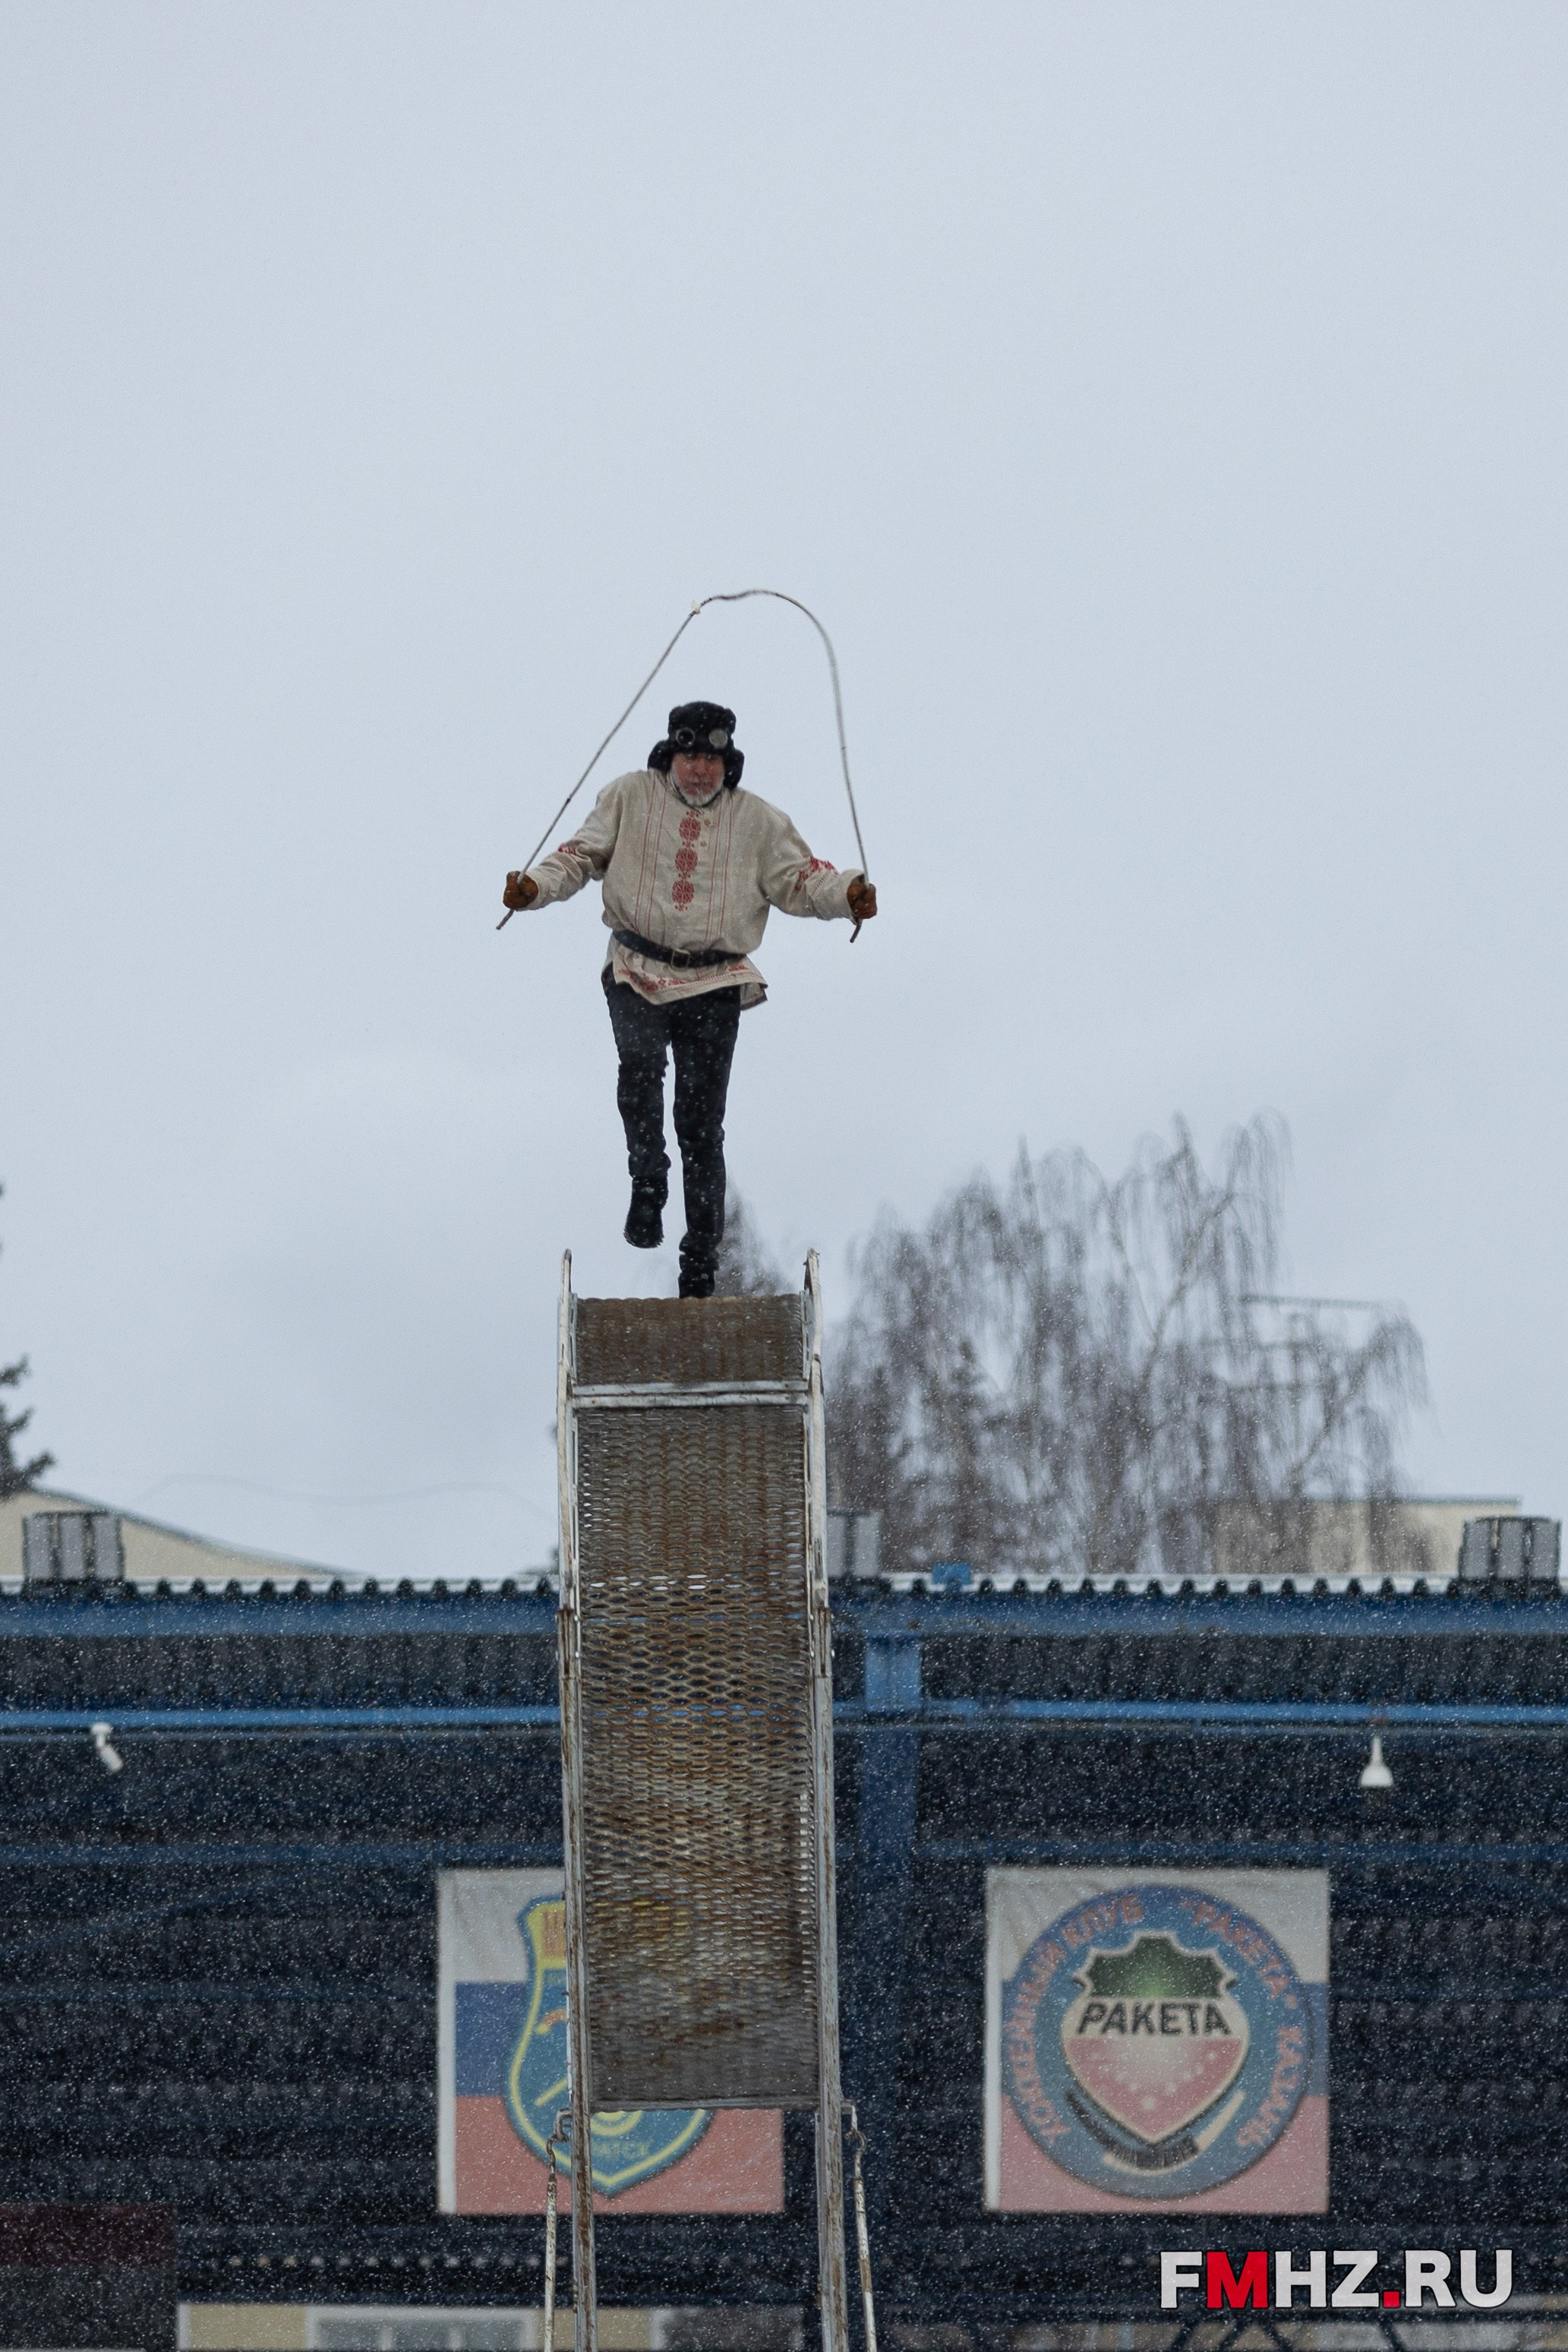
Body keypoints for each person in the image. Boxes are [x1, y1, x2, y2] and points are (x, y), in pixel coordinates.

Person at [503, 700, 877, 1297]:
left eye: (711, 758)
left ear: (728, 762)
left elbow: (803, 879)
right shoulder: (628, 795)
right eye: (690, 756)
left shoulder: (758, 820)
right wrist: (533, 887)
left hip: (715, 979)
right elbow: (579, 855)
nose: (701, 769)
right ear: (670, 755)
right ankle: (648, 1178)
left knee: (701, 1124)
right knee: (640, 1067)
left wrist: (849, 893)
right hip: (635, 966)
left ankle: (700, 1263)